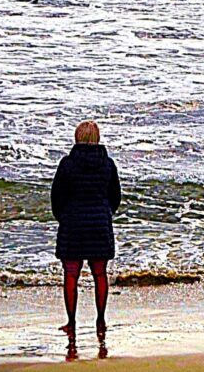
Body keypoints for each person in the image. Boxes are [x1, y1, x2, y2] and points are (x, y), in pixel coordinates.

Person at [50, 120, 121, 336]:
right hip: (100, 224)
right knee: (100, 274)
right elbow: (115, 198)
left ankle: (71, 323)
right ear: (97, 138)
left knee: (71, 275)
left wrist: (63, 217)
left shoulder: (67, 164)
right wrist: (105, 213)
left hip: (72, 225)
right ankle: (100, 320)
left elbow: (56, 197)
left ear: (77, 137)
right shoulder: (108, 164)